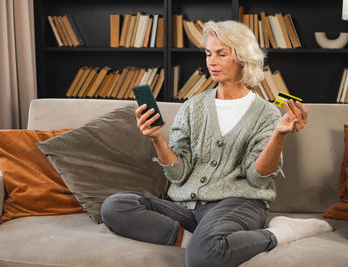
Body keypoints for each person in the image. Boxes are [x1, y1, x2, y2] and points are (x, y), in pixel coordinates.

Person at [101, 20, 332, 267]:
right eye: (208, 54)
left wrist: (279, 134)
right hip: (188, 207)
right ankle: (198, 241)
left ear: (243, 58)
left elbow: (257, 179)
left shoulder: (267, 113)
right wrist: (157, 138)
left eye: (222, 54)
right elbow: (178, 175)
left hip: (238, 203)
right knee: (115, 206)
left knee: (201, 259)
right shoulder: (192, 107)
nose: (211, 61)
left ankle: (280, 232)